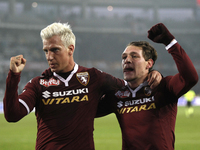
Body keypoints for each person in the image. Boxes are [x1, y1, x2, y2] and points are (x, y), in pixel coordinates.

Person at [3, 22, 162, 150]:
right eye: (46, 51)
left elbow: (128, 87)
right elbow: (12, 115)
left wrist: (152, 74)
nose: (49, 57)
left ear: (70, 49)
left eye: (55, 50)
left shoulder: (93, 77)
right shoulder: (39, 84)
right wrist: (13, 76)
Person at [96, 23, 198, 150]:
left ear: (149, 63)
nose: (126, 60)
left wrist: (170, 42)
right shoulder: (117, 95)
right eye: (124, 57)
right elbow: (84, 110)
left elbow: (190, 77)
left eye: (134, 56)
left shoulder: (164, 87)